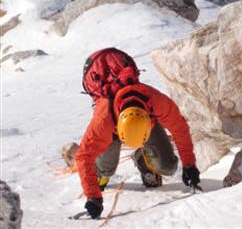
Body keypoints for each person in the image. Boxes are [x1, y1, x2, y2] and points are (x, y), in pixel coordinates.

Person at [75, 77, 201, 220]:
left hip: (145, 122)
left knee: (169, 167)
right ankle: (100, 173)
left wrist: (189, 165)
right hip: (112, 130)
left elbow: (179, 128)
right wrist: (93, 196)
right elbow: (83, 156)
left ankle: (143, 160)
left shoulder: (156, 101)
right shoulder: (104, 119)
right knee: (106, 169)